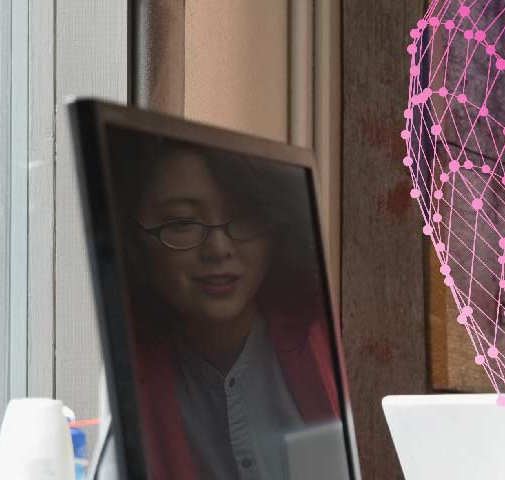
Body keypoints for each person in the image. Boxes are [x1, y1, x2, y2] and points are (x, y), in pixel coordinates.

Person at [112, 135, 340, 480]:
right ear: (132, 241)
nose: (219, 248)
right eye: (183, 223)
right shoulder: (128, 379)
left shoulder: (326, 338)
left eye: (244, 216)